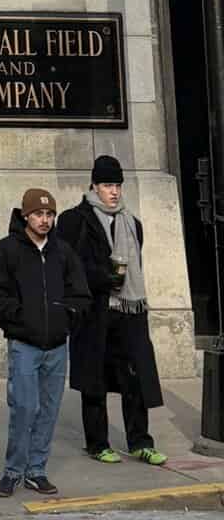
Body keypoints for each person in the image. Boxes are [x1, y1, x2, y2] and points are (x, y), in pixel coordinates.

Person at [0, 186, 91, 499]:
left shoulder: (63, 252)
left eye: (50, 214)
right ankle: (12, 471)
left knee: (49, 410)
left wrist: (67, 316)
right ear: (25, 215)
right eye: (39, 214)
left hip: (57, 346)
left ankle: (36, 470)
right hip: (24, 345)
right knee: (25, 408)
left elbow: (81, 294)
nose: (44, 220)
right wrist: (18, 316)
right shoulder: (7, 250)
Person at [56, 156, 167, 467]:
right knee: (95, 381)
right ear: (94, 185)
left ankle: (141, 442)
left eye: (117, 185)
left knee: (135, 378)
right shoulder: (74, 220)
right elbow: (69, 266)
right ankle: (97, 443)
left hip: (130, 311)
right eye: (107, 185)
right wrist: (102, 277)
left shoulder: (133, 224)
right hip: (94, 312)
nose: (114, 191)